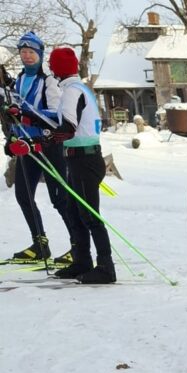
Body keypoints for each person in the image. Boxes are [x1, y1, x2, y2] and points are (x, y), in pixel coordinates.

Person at [2, 31, 73, 263]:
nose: (27, 56)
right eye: (23, 52)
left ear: (40, 55)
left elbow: (55, 115)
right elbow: (13, 111)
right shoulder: (20, 79)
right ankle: (39, 243)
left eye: (32, 52)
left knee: (59, 199)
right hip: (27, 146)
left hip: (48, 144)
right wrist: (11, 139)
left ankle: (78, 245)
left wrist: (27, 112)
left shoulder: (49, 81)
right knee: (23, 195)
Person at [48, 47, 114, 283]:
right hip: (81, 157)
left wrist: (43, 139)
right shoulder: (78, 88)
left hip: (83, 159)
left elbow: (67, 128)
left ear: (56, 69)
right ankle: (82, 261)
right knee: (73, 210)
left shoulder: (71, 92)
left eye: (52, 65)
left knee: (88, 213)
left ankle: (106, 267)